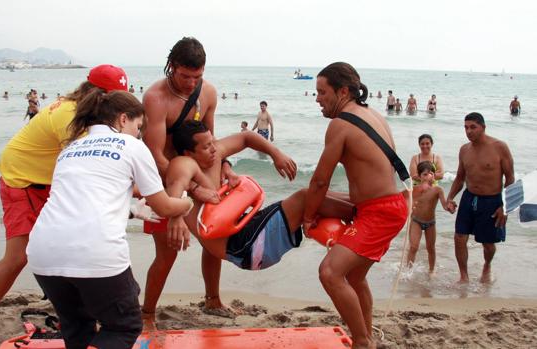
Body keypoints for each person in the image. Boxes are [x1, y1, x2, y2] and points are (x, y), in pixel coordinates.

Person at [0, 64, 130, 346]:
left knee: (80, 245)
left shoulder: (87, 113)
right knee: (17, 257)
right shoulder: (70, 115)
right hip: (22, 179)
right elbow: (91, 167)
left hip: (49, 182)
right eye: (113, 98)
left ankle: (85, 314)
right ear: (97, 94)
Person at [27, 90, 193, 349]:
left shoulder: (71, 148)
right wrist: (187, 202)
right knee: (124, 325)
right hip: (95, 253)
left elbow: (80, 201)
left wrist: (131, 211)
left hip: (43, 253)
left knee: (77, 326)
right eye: (138, 126)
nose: (139, 134)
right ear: (123, 119)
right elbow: (164, 205)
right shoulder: (132, 146)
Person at [304, 62, 408, 349]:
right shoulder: (372, 115)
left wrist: (308, 217)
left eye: (322, 92)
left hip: (380, 212)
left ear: (343, 91)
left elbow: (320, 182)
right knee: (354, 275)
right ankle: (368, 335)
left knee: (330, 273)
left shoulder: (341, 124)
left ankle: (363, 342)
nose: (317, 99)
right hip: (387, 206)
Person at [165, 121, 355, 270]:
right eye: (206, 147)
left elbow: (246, 137)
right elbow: (176, 183)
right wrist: (176, 216)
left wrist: (275, 153)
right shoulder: (184, 163)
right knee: (305, 198)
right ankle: (362, 215)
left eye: (212, 142)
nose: (215, 149)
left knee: (318, 194)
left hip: (249, 234)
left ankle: (361, 204)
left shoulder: (214, 156)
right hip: (243, 247)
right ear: (188, 153)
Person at [141, 37, 234, 325]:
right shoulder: (155, 97)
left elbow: (210, 141)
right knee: (168, 253)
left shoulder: (208, 93)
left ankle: (213, 300)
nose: (191, 83)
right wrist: (186, 194)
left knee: (213, 240)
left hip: (199, 174)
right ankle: (148, 313)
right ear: (171, 67)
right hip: (165, 180)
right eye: (185, 76)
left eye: (198, 76)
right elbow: (155, 154)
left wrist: (225, 164)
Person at [445, 112, 514, 284]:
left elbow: (510, 179)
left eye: (473, 127)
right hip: (469, 198)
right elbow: (460, 177)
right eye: (466, 127)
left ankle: (487, 266)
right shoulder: (464, 150)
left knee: (488, 244)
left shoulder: (499, 147)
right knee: (459, 237)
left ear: (483, 127)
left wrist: (505, 207)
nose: (468, 131)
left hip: (491, 201)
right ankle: (463, 276)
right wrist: (450, 197)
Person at [406, 161, 447, 273]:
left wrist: (450, 206)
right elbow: (405, 201)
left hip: (430, 223)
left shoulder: (438, 190)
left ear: (434, 176)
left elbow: (445, 205)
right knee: (413, 247)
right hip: (416, 221)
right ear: (419, 176)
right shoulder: (415, 189)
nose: (428, 176)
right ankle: (408, 271)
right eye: (425, 174)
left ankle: (431, 271)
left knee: (431, 249)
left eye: (431, 174)